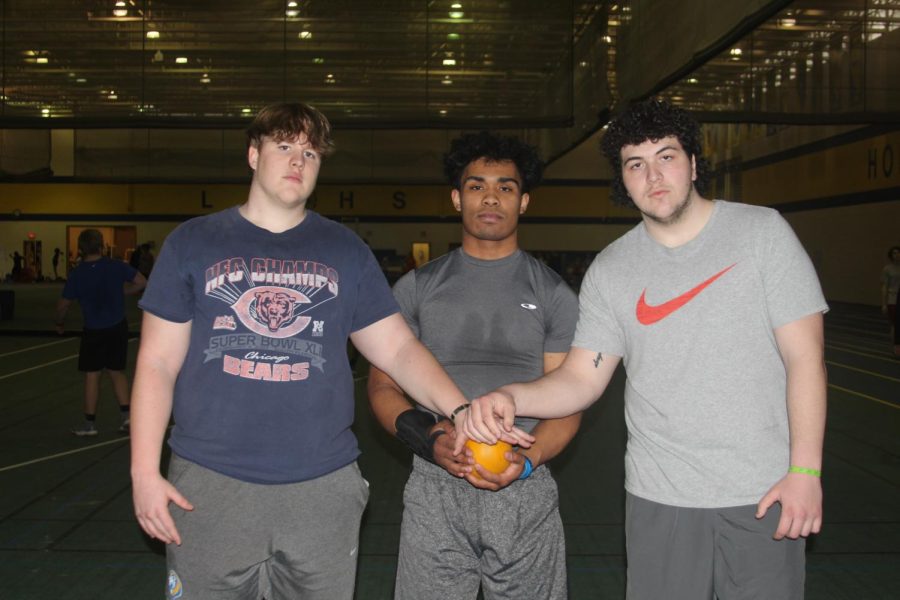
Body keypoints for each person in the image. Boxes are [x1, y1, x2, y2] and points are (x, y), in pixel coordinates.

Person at [129, 102, 523, 600]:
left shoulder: (345, 250)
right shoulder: (193, 243)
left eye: (311, 153)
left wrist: (460, 409)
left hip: (322, 486)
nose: (298, 162)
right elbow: (157, 363)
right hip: (210, 482)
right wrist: (144, 472)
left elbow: (399, 349)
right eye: (285, 147)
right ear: (254, 154)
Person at [460, 98, 828, 599]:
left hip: (763, 492)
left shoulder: (762, 234)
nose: (653, 175)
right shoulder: (613, 269)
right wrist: (512, 397)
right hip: (660, 496)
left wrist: (805, 471)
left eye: (666, 156)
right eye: (636, 164)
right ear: (622, 179)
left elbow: (805, 359)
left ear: (694, 164)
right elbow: (582, 379)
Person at [368, 131, 581, 600]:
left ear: (523, 202)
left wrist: (526, 462)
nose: (490, 197)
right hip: (435, 484)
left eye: (506, 187)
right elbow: (383, 388)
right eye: (476, 185)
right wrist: (431, 439)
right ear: (456, 197)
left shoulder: (554, 295)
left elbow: (568, 400)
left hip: (524, 484)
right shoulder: (416, 289)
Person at [56, 229, 147, 436]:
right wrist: (122, 291)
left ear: (81, 249)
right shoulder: (117, 266)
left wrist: (58, 323)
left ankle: (89, 425)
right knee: (117, 371)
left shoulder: (77, 274)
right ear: (102, 246)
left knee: (92, 375)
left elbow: (63, 305)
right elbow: (141, 282)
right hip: (117, 327)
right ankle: (128, 418)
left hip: (94, 330)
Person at [881, 245, 900, 355]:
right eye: (894, 253)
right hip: (892, 299)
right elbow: (884, 286)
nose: (897, 255)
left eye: (898, 252)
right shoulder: (887, 269)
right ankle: (895, 346)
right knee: (895, 324)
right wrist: (884, 303)